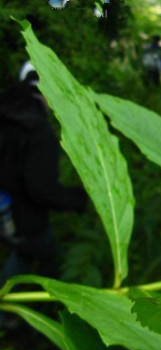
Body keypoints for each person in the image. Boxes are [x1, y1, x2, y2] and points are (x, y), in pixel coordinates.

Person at [0, 62, 88, 285]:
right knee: (41, 252)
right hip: (21, 215)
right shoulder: (38, 131)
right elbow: (41, 188)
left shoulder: (6, 113)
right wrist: (78, 199)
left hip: (5, 207)